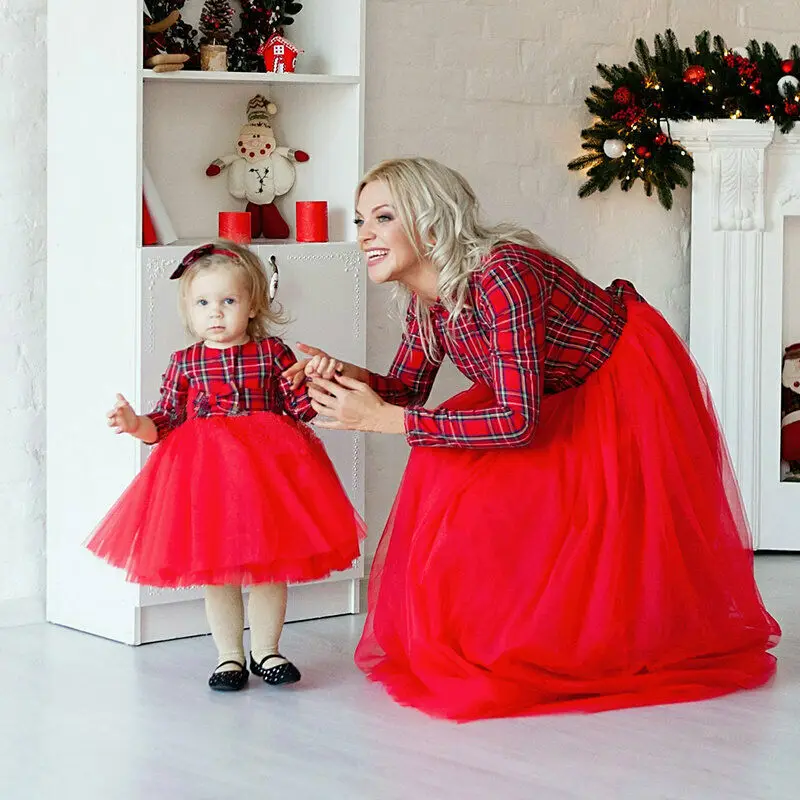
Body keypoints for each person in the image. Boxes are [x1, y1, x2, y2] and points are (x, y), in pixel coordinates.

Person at [283, 157, 781, 722]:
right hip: (536, 391)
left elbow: (514, 423)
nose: (365, 234)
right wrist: (342, 374)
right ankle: (498, 638)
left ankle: (589, 640)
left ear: (430, 221)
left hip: (615, 379)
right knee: (449, 465)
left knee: (602, 526)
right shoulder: (429, 299)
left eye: (383, 217)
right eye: (360, 220)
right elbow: (406, 389)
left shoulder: (503, 274)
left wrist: (388, 421)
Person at [87, 241, 365, 692]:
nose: (215, 312)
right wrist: (135, 423)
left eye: (228, 301)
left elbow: (302, 408)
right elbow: (167, 420)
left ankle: (267, 650)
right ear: (188, 310)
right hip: (209, 479)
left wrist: (322, 380)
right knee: (218, 572)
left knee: (271, 567)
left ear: (252, 306)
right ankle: (229, 656)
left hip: (270, 474)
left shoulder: (273, 352)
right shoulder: (186, 362)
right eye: (203, 303)